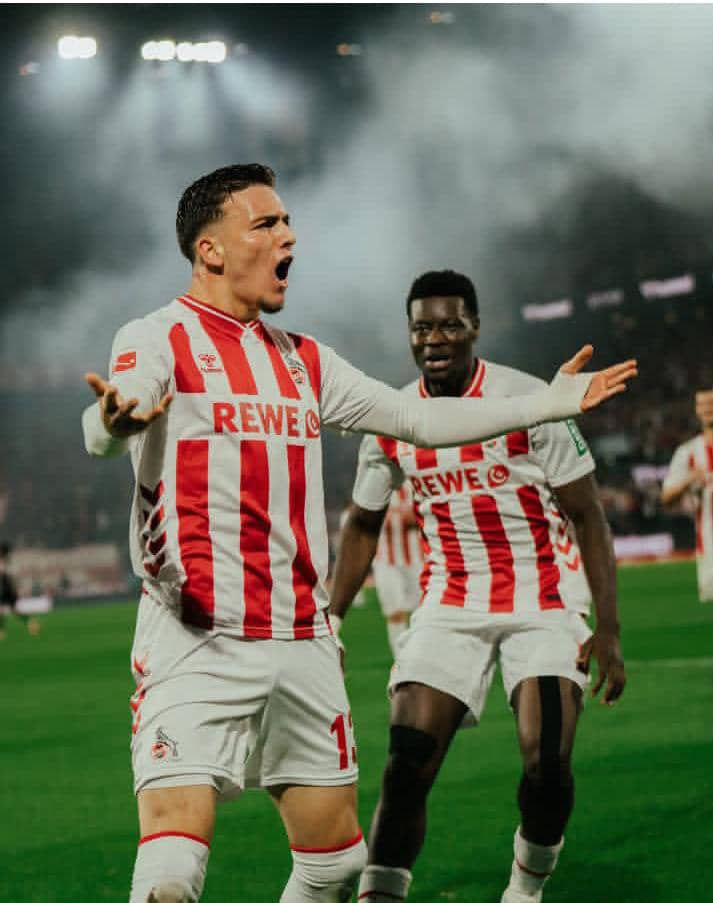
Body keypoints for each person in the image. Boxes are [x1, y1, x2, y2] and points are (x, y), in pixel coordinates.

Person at [81, 166, 636, 903]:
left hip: (302, 639)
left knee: (336, 866)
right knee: (172, 873)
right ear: (210, 250)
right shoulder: (158, 337)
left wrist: (546, 402)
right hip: (198, 635)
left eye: (287, 221)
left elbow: (416, 418)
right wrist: (111, 422)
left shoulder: (302, 358)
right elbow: (114, 413)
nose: (289, 235)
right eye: (267, 223)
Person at [329, 270, 627, 903]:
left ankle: (524, 889)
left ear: (474, 327)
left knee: (547, 764)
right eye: (422, 328)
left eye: (449, 325)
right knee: (406, 761)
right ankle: (379, 894)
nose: (434, 338)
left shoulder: (532, 400)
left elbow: (588, 516)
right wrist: (329, 619)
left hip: (544, 600)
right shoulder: (394, 418)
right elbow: (362, 523)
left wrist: (608, 628)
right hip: (451, 602)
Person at [660, 388, 713, 603]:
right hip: (709, 546)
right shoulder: (688, 452)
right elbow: (666, 498)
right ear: (696, 410)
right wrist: (689, 480)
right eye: (703, 404)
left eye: (712, 402)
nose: (708, 408)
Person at [371, 486, 423, 655]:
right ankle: (400, 660)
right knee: (394, 612)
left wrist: (417, 516)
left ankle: (420, 656)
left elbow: (428, 515)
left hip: (416, 560)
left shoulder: (414, 484)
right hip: (386, 560)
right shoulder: (377, 485)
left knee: (421, 614)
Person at [0, 541, 41, 639]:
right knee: (13, 611)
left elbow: (4, 575)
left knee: (7, 610)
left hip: (6, 590)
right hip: (8, 589)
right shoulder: (6, 561)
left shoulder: (4, 562)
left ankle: (1, 631)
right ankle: (30, 622)